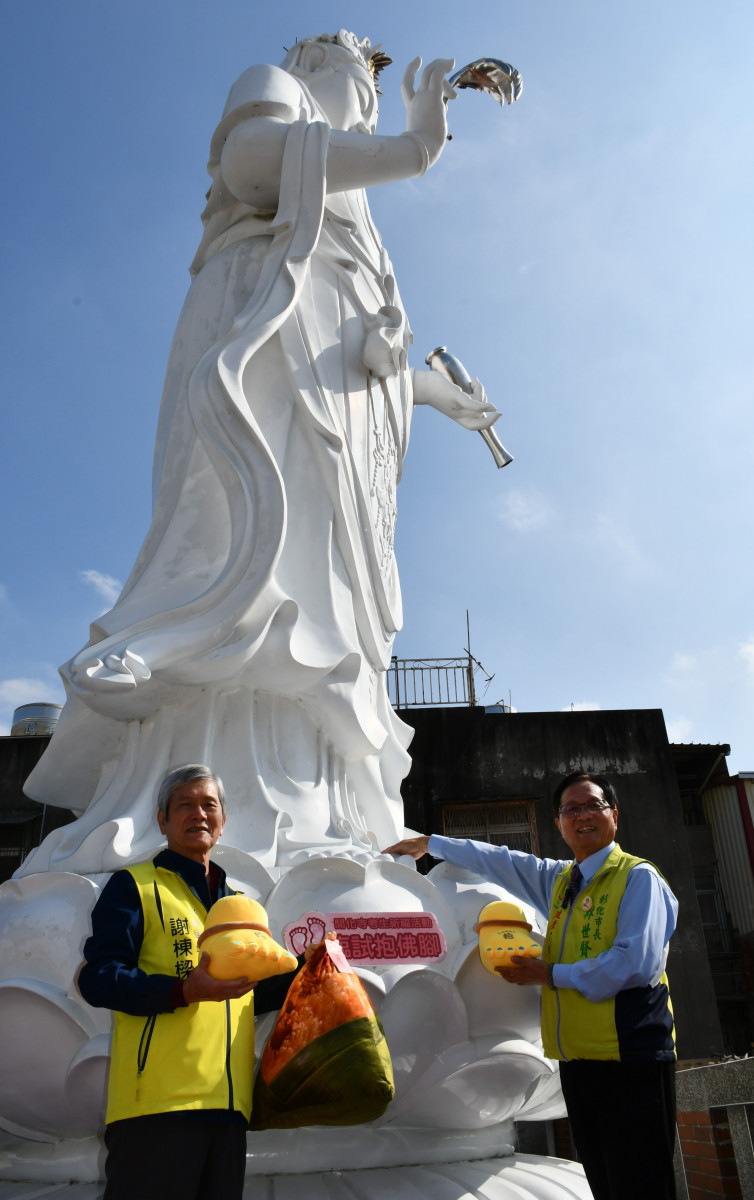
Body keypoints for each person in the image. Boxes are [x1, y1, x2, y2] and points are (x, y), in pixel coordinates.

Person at [21, 31, 501, 878]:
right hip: (256, 344)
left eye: (377, 97)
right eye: (361, 80)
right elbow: (252, 165)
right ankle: (186, 811)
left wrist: (427, 391)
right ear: (321, 69)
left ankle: (332, 814)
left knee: (330, 597)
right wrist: (413, 149)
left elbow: (356, 365)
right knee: (248, 560)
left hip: (340, 431)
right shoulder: (276, 88)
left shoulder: (361, 222)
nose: (368, 101)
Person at [384, 771, 679, 1200]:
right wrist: (432, 844)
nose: (582, 816)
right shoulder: (562, 883)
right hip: (579, 1063)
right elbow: (503, 861)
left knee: (641, 1185)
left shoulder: (637, 879)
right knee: (606, 1183)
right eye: (570, 809)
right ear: (558, 824)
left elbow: (636, 964)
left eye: (592, 805)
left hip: (631, 1061)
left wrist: (551, 974)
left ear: (614, 815)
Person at [78, 764, 257, 1200]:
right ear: (163, 820)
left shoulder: (239, 906)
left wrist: (314, 969)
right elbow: (99, 979)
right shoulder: (134, 886)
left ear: (223, 820)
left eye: (208, 805)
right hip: (156, 1109)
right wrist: (181, 990)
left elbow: (249, 990)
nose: (198, 814)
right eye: (185, 805)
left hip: (229, 1108)